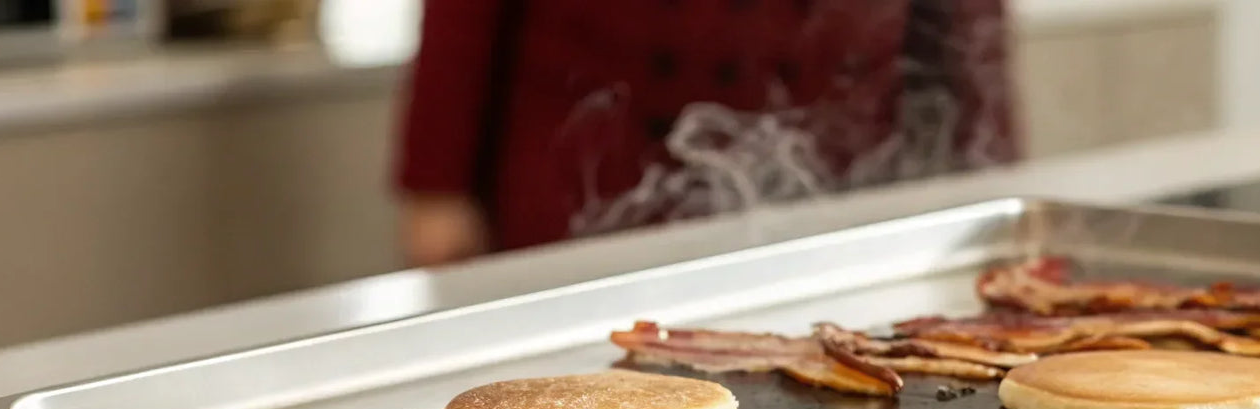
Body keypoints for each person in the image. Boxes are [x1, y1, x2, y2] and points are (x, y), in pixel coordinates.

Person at [394, 0, 1022, 268]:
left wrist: (993, 183)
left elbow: (963, 33)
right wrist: (437, 187)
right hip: (590, 163)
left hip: (836, 165)